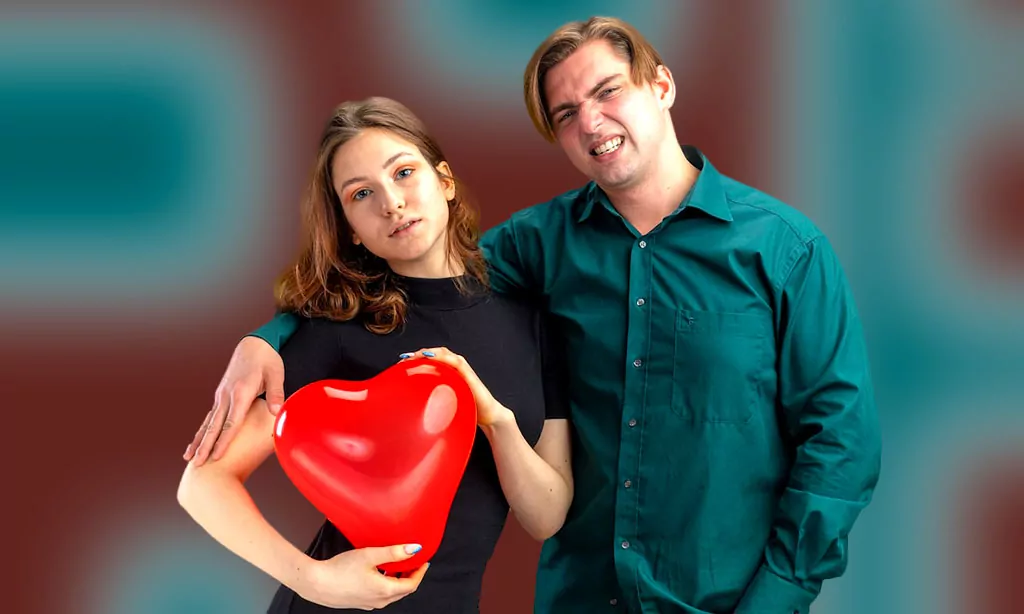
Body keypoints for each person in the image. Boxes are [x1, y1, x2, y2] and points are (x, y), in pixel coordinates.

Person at [185, 16, 882, 614]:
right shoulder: (537, 248)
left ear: (661, 86)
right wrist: (268, 336)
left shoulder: (784, 251)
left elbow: (841, 448)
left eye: (609, 91)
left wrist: (775, 600)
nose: (592, 122)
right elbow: (420, 276)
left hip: (725, 599)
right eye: (566, 114)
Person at [177, 97, 573, 613]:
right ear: (350, 228)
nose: (392, 203)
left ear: (445, 182)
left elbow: (546, 516)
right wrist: (314, 581)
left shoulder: (533, 321)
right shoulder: (338, 330)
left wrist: (494, 418)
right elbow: (200, 484)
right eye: (362, 193)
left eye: (404, 172)